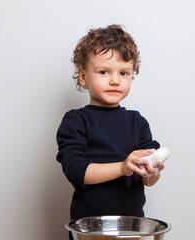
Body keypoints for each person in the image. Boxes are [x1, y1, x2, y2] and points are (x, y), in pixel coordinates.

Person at [56, 24, 164, 239]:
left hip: (131, 229)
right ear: (84, 77)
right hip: (89, 229)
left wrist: (153, 171)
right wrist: (123, 167)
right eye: (104, 72)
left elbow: (148, 181)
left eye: (124, 73)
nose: (115, 80)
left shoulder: (137, 122)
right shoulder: (76, 121)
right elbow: (77, 172)